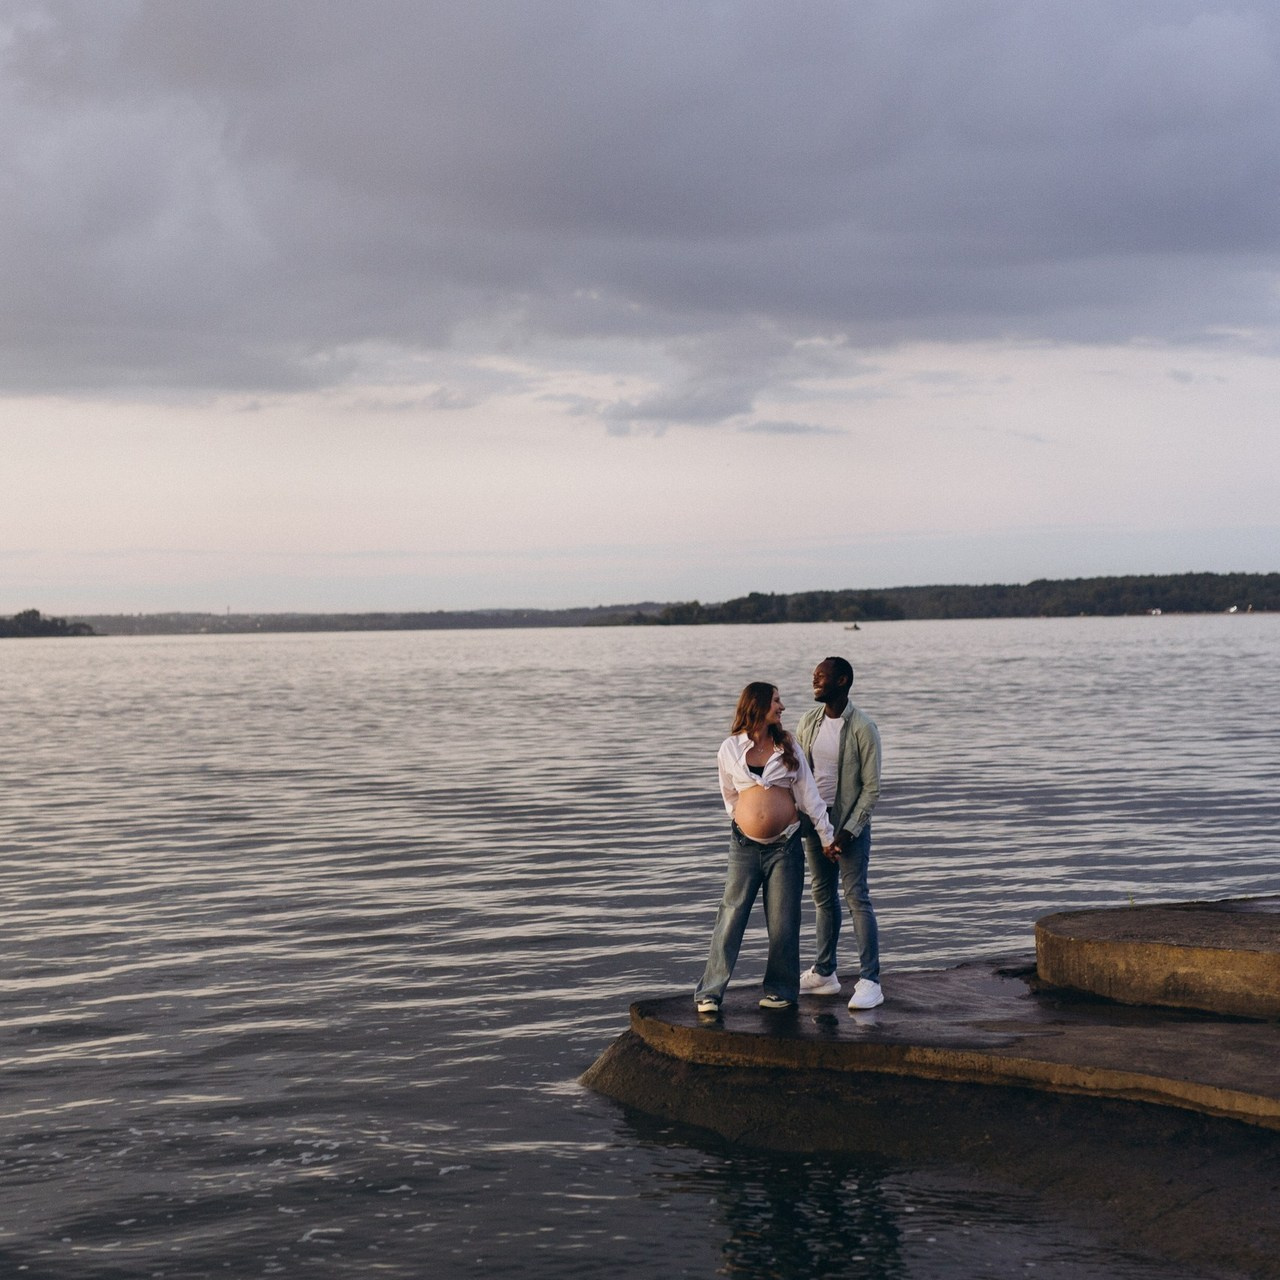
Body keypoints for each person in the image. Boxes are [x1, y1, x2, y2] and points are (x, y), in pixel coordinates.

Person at [695, 682, 837, 1014]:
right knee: (731, 916)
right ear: (757, 704)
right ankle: (710, 992)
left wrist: (827, 837)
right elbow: (729, 795)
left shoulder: (788, 746)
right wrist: (746, 820)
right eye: (776, 700)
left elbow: (810, 796)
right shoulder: (730, 748)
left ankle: (781, 991)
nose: (782, 706)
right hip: (744, 846)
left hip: (785, 846)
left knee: (784, 921)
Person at [794, 656, 884, 1010]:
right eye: (814, 676)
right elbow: (799, 775)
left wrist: (847, 832)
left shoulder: (863, 727)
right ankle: (825, 973)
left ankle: (871, 981)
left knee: (856, 897)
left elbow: (871, 789)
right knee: (822, 896)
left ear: (842, 681)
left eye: (821, 677)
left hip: (849, 824)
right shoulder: (808, 721)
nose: (814, 681)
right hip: (817, 821)